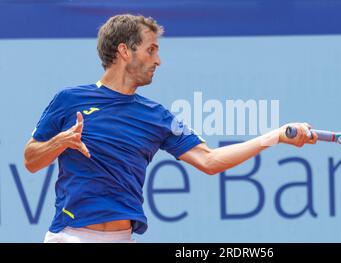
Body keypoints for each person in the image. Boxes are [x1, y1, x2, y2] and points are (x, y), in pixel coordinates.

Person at [23, 14, 317, 243]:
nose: (158, 60)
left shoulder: (156, 116)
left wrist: (274, 136)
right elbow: (31, 160)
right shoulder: (70, 99)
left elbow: (209, 161)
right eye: (151, 50)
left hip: (122, 237)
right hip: (70, 235)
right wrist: (60, 142)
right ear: (125, 51)